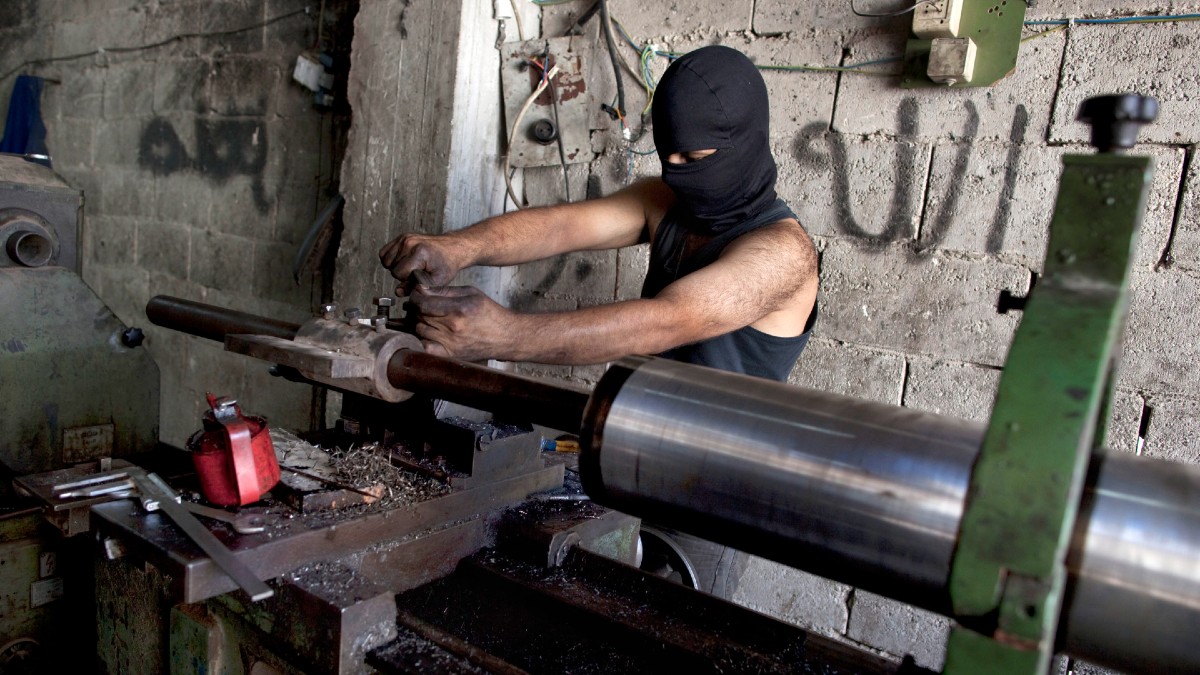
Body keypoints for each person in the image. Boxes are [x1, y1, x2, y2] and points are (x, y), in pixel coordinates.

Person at [379, 45, 817, 382]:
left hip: (728, 476)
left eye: (694, 157)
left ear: (743, 146)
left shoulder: (784, 255)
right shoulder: (663, 199)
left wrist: (504, 335)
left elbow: (668, 321)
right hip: (638, 441)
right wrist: (458, 248)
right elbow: (562, 226)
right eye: (670, 157)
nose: (677, 172)